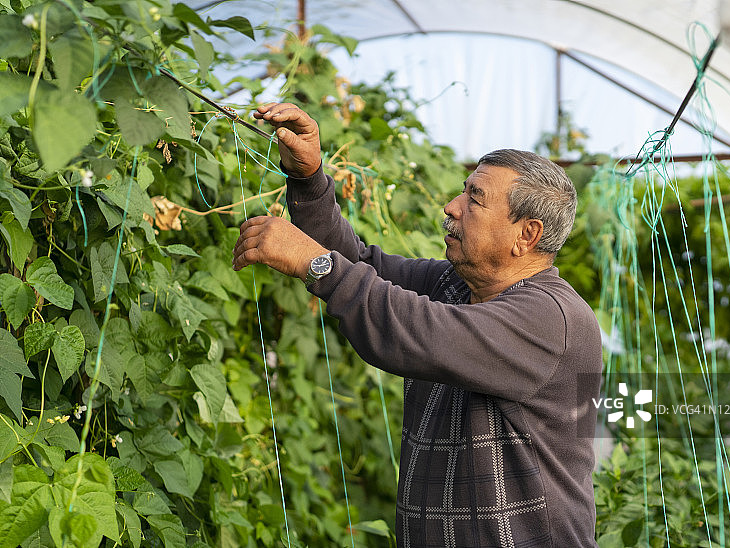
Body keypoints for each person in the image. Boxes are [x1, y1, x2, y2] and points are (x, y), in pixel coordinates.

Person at [232, 102, 603, 547]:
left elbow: (419, 332)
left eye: (475, 199)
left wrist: (316, 265)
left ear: (526, 235)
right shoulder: (455, 284)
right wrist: (309, 180)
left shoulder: (551, 319)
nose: (452, 206)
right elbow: (360, 264)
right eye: (463, 191)